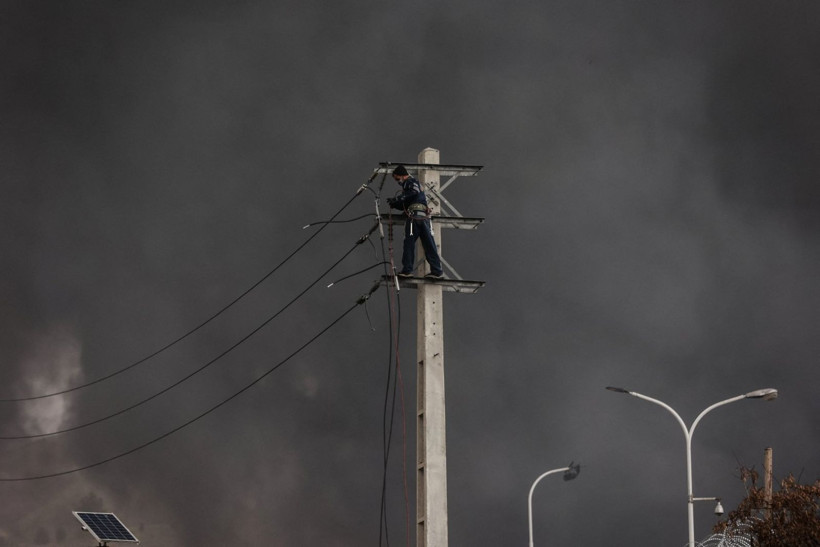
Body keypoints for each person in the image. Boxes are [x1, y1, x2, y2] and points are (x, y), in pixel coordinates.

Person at [386, 165, 444, 278]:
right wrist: (395, 204)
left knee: (409, 244)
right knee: (429, 245)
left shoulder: (410, 182)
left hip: (414, 218)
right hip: (424, 219)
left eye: (398, 178)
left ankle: (407, 270)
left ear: (403, 175)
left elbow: (413, 192)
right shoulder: (412, 188)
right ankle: (437, 271)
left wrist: (398, 199)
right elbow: (407, 202)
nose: (398, 181)